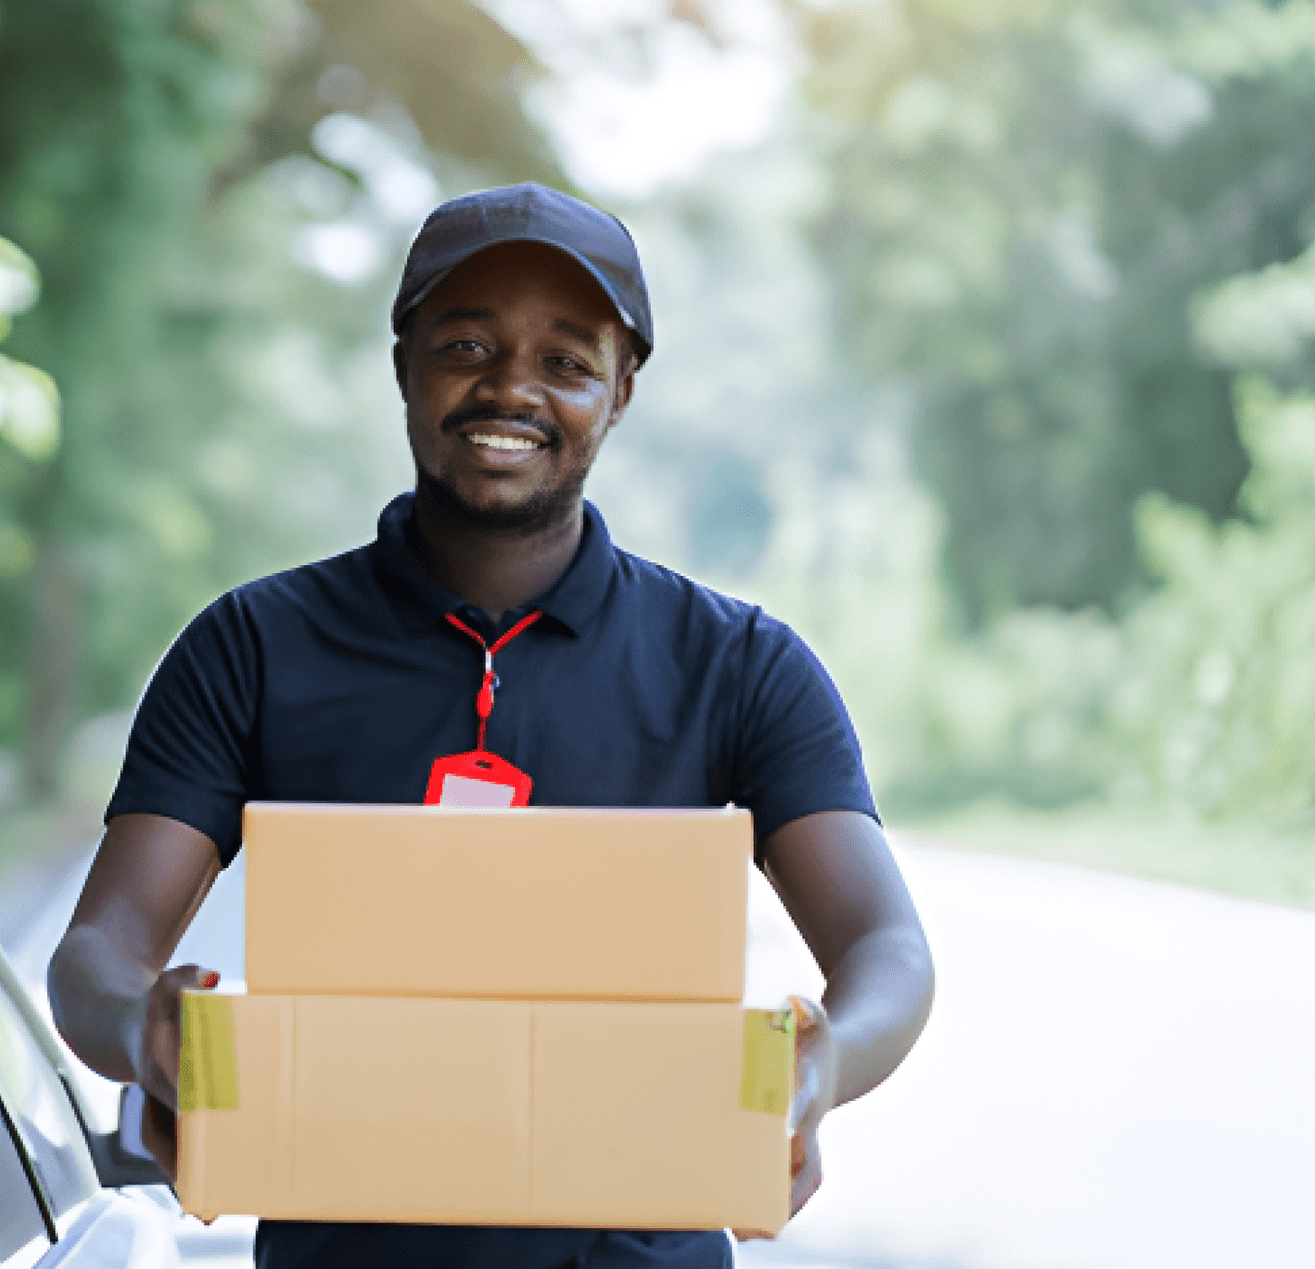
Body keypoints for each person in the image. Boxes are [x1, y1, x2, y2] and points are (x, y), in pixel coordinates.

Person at [48, 182, 936, 1269]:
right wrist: (148, 1028)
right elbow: (96, 953)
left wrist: (822, 1063)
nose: (511, 387)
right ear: (405, 367)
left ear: (619, 394)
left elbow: (889, 951)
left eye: (565, 361)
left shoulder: (740, 665)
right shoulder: (253, 647)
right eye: (466, 343)